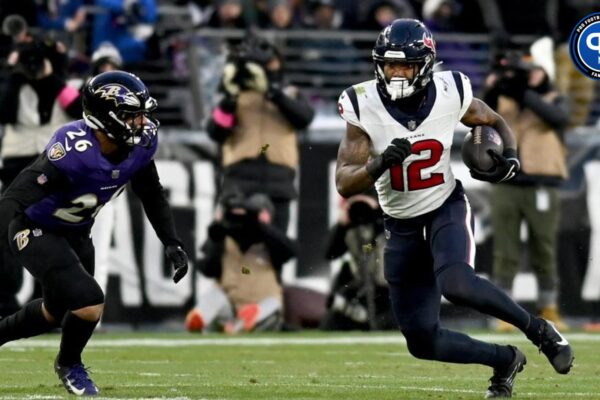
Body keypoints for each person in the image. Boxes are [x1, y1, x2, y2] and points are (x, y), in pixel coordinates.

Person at [335, 19, 573, 398]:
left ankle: (540, 331)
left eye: (406, 66)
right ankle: (505, 360)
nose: (396, 73)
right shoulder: (362, 104)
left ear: (426, 66)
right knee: (421, 341)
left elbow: (493, 119)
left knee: (457, 283)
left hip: (444, 207)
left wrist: (508, 155)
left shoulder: (450, 91)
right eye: (390, 64)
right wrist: (378, 165)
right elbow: (344, 182)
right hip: (400, 224)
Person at [0, 70, 189, 396]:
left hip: (76, 232)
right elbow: (16, 197)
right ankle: (70, 364)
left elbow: (151, 192)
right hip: (35, 228)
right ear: (105, 117)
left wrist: (171, 242)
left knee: (56, 312)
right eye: (132, 116)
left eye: (143, 114)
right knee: (89, 301)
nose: (142, 123)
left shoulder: (140, 145)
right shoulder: (74, 149)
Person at [483, 39, 570, 332]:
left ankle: (549, 308)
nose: (530, 74)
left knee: (543, 247)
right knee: (505, 249)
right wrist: (497, 85)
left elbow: (559, 118)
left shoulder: (554, 97)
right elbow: (482, 113)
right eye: (526, 70)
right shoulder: (504, 97)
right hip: (507, 181)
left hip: (542, 182)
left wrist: (524, 92)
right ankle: (503, 311)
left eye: (535, 69)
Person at [206, 35, 314, 232]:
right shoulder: (234, 95)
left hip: (278, 181)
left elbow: (304, 118)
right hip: (240, 180)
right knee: (236, 243)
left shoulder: (288, 93)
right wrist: (229, 101)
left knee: (275, 245)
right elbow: (216, 132)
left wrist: (273, 93)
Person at [186, 189, 296, 333]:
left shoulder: (271, 241)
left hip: (262, 303)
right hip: (231, 307)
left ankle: (245, 323)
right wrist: (220, 229)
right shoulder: (224, 238)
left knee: (272, 305)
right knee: (213, 294)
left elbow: (290, 250)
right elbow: (207, 268)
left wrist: (260, 226)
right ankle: (201, 317)